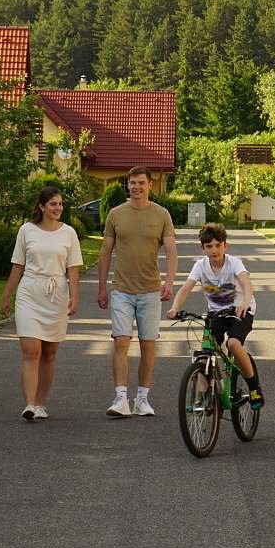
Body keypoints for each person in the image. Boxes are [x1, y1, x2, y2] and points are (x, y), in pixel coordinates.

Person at [96, 166, 177, 417]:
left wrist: (170, 282)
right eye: (132, 183)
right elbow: (105, 252)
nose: (136, 187)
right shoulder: (116, 214)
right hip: (121, 289)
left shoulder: (162, 214)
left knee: (148, 345)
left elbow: (171, 251)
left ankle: (142, 398)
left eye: (141, 183)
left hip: (151, 290)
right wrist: (101, 288)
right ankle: (121, 398)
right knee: (121, 341)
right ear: (127, 185)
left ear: (149, 185)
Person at [0, 186, 83, 422]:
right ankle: (28, 404)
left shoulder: (69, 233)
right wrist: (7, 295)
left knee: (49, 353)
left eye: (60, 204)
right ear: (42, 206)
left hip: (56, 294)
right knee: (31, 350)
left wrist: (74, 296)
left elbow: (73, 269)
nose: (58, 208)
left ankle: (40, 403)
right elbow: (18, 265)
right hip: (30, 292)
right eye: (53, 204)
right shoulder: (27, 230)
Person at [167, 223, 263, 408]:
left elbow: (246, 284)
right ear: (203, 248)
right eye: (209, 246)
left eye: (218, 245)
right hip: (216, 314)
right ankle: (202, 396)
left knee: (233, 344)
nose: (214, 250)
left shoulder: (234, 263)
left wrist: (244, 302)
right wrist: (174, 308)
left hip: (240, 311)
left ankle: (253, 387)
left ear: (225, 245)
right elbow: (186, 287)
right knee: (204, 353)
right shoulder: (200, 266)